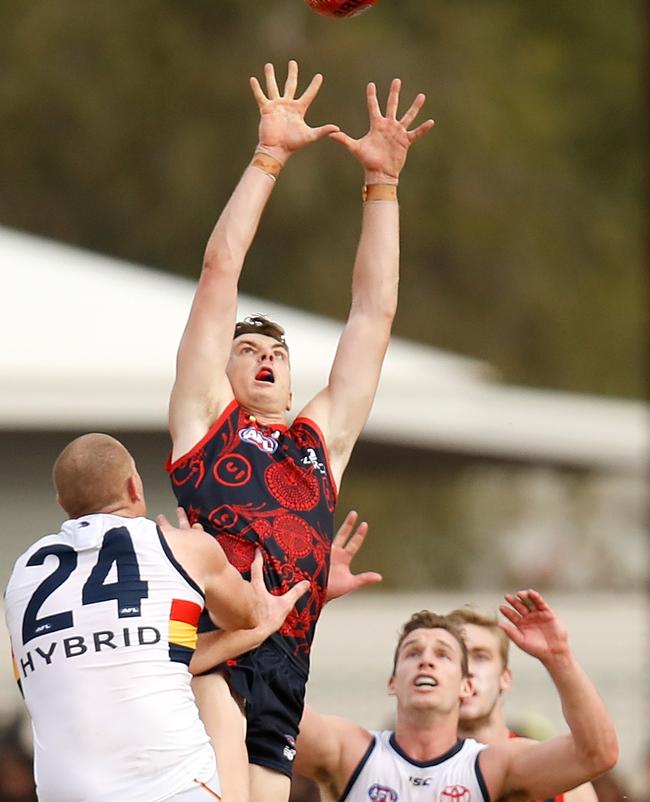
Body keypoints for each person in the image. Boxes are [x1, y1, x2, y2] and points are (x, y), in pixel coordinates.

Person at [166, 60, 433, 802]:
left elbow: (373, 313)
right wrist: (269, 158)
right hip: (210, 651)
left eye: (277, 354)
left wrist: (382, 186)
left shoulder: (320, 442)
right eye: (246, 350)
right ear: (221, 372)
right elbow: (220, 270)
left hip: (286, 665)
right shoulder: (204, 424)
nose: (265, 359)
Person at [3, 433, 308, 802]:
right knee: (213, 688)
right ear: (135, 486)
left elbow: (137, 659)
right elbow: (246, 614)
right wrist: (209, 568)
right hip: (171, 787)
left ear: (63, 504)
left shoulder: (22, 575)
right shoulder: (182, 547)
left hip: (64, 793)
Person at [294, 590, 618, 802]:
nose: (426, 660)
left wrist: (559, 657)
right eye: (412, 652)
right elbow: (270, 705)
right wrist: (305, 600)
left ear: (465, 685)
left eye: (445, 654)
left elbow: (597, 754)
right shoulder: (352, 750)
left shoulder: (499, 765)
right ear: (392, 681)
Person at [448, 605, 599, 802]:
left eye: (480, 657)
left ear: (505, 678)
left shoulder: (560, 778)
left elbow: (598, 752)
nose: (466, 669)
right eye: (452, 657)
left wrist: (560, 657)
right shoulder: (410, 770)